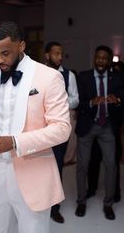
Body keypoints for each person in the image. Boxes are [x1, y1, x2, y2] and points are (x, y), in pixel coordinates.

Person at [0, 21, 71, 233]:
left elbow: (62, 128)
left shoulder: (49, 77)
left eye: (5, 53)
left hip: (33, 173)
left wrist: (15, 142)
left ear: (22, 46)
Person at [75, 45, 124, 220]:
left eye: (104, 58)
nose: (101, 61)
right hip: (88, 125)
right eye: (98, 57)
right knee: (82, 165)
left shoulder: (117, 78)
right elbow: (77, 103)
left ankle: (108, 204)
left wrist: (117, 100)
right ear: (94, 58)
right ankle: (81, 201)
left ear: (109, 60)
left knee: (111, 164)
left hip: (107, 127)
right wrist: (90, 103)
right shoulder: (83, 77)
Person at [45, 41, 79, 223]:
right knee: (36, 166)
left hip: (58, 129)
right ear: (47, 55)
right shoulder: (37, 73)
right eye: (56, 53)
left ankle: (54, 207)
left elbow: (75, 99)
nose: (59, 56)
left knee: (56, 166)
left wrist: (60, 102)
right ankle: (37, 203)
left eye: (61, 53)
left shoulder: (69, 75)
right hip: (38, 129)